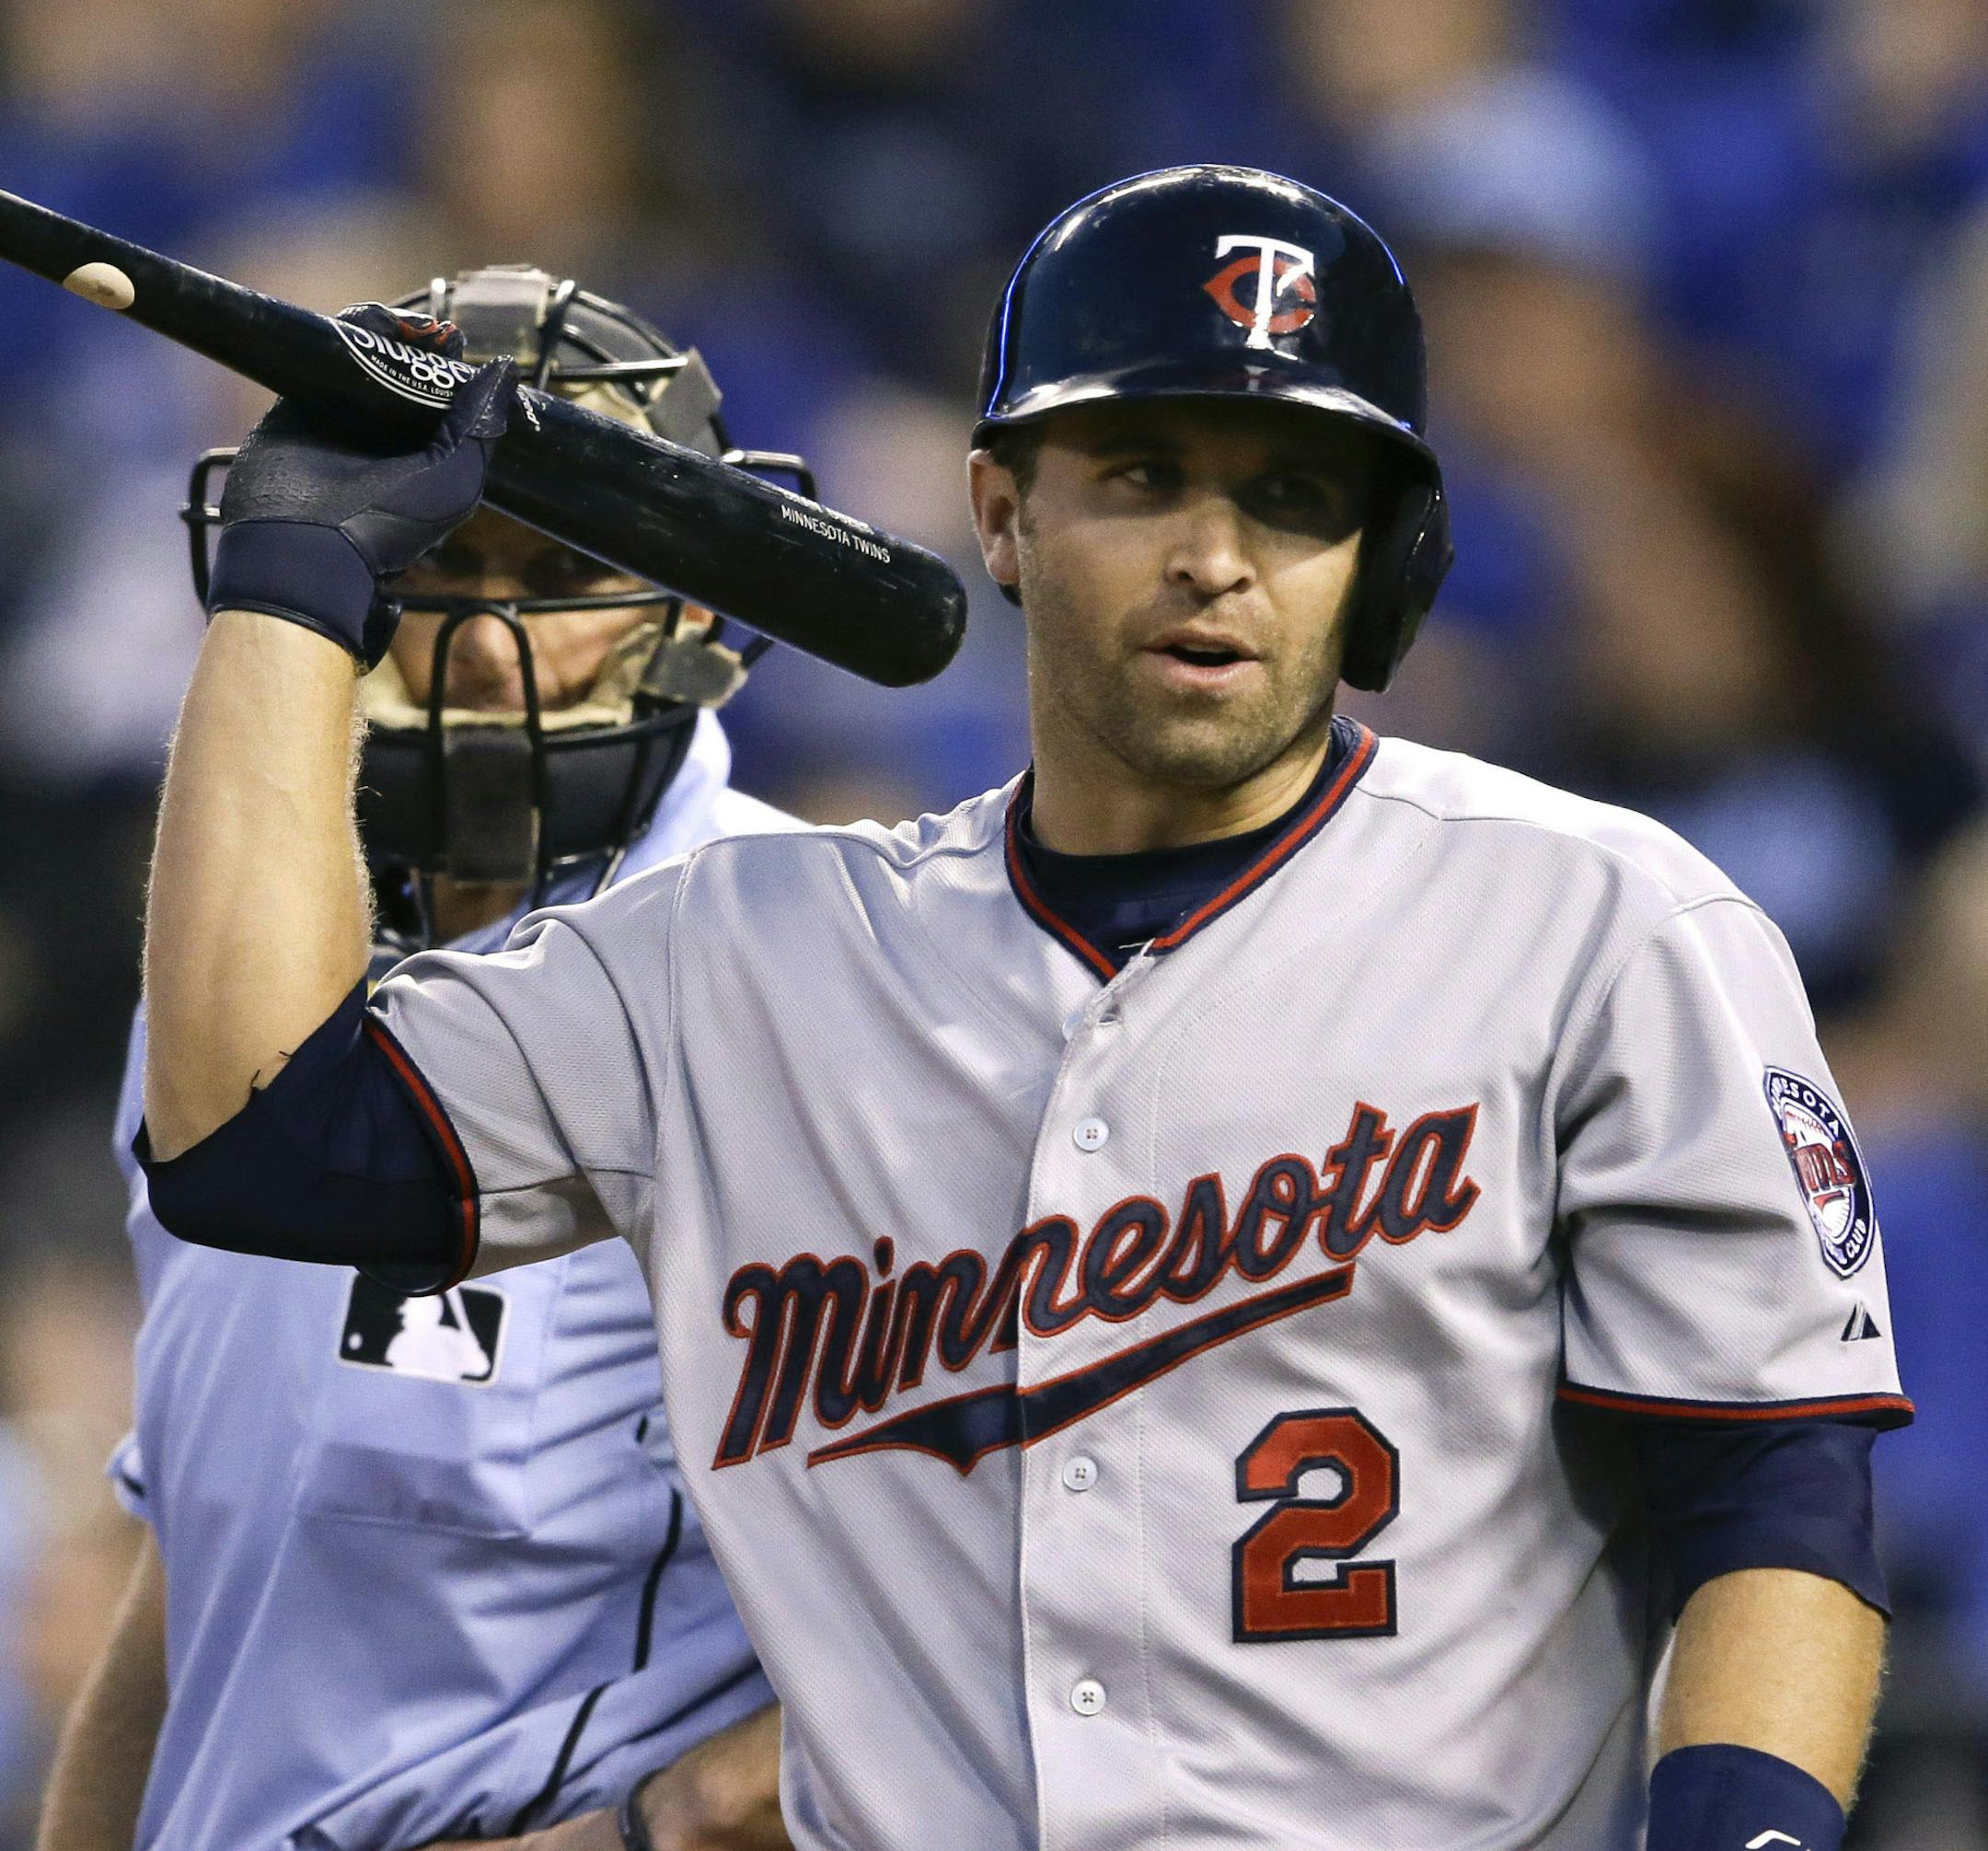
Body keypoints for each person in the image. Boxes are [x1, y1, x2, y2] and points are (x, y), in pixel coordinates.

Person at [135, 168, 1910, 1851]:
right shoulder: (740, 958)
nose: (1218, 554)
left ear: (1385, 559)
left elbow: (1772, 1491)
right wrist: (296, 586)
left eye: (1295, 494)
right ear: (999, 510)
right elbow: (254, 1143)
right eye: (1141, 472)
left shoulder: (1601, 925)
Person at [37, 269, 800, 1851]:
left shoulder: (813, 977)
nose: (490, 636)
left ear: (695, 603)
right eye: (444, 560)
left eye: (565, 567)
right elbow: (214, 1562)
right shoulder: (228, 954)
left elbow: (1024, 1600)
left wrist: (657, 1831)